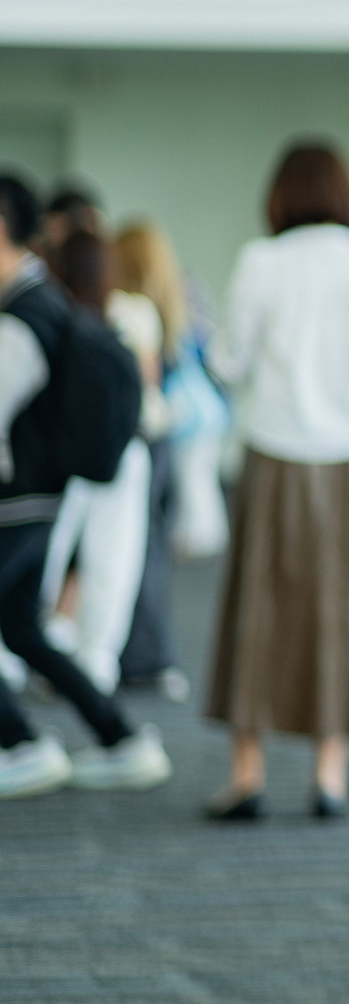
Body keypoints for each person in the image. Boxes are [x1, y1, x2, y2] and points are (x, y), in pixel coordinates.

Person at [204, 144, 349, 821]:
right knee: (343, 610)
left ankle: (247, 773)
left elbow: (231, 360)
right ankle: (329, 776)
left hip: (274, 448)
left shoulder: (262, 261)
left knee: (256, 607)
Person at [0, 172, 170, 798]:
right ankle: (118, 737)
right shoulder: (46, 301)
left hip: (17, 499)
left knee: (24, 626)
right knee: (22, 629)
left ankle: (20, 742)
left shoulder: (23, 315)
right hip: (38, 497)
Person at [42, 230, 159, 696]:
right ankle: (97, 660)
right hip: (123, 451)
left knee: (45, 553)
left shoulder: (50, 316)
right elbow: (147, 387)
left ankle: (27, 646)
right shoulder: (130, 313)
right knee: (113, 561)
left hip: (62, 456)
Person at [110, 221, 192, 696]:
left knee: (129, 551)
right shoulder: (160, 311)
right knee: (149, 551)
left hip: (133, 440)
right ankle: (149, 654)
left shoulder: (118, 309)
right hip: (157, 440)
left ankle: (132, 654)